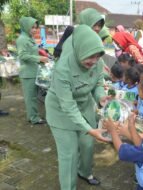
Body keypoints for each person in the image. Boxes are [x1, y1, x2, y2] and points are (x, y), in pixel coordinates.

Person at [45, 25, 110, 190]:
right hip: (61, 111)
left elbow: (98, 83)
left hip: (84, 105)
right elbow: (68, 106)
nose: (94, 61)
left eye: (97, 56)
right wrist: (90, 129)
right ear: (81, 50)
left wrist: (100, 97)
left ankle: (84, 171)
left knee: (88, 145)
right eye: (90, 57)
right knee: (69, 155)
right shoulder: (62, 69)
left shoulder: (98, 61)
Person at [16, 16, 48, 124]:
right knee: (30, 98)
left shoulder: (30, 38)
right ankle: (33, 118)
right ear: (25, 27)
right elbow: (23, 55)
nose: (34, 30)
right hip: (27, 73)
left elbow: (31, 52)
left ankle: (34, 116)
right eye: (32, 27)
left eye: (35, 27)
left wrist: (40, 53)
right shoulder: (22, 39)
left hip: (34, 71)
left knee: (34, 97)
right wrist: (40, 58)